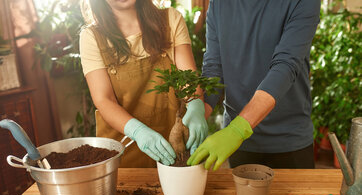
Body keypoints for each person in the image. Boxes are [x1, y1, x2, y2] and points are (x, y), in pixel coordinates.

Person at [187, 0, 321, 170]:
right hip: (239, 145)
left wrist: (238, 130)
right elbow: (214, 66)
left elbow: (285, 66)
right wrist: (198, 112)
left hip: (289, 140)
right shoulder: (220, 3)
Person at [79, 0, 208, 167]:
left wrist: (196, 104)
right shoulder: (92, 37)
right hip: (123, 149)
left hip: (175, 145)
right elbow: (104, 100)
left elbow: (188, 78)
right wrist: (138, 132)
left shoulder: (170, 20)